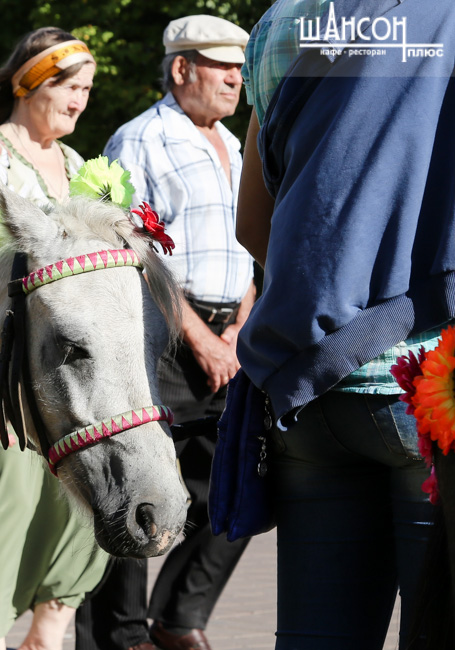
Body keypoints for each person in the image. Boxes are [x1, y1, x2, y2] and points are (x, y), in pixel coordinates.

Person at [233, 0, 453, 648]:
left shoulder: (281, 22)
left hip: (310, 384)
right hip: (429, 393)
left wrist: (339, 295)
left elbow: (253, 223)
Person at [77, 16, 255, 650]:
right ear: (182, 69)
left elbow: (253, 248)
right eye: (220, 64)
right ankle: (117, 638)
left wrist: (237, 328)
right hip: (160, 332)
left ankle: (179, 617)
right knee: (133, 488)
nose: (237, 76)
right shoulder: (140, 139)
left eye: (240, 65)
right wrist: (199, 337)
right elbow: (131, 251)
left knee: (239, 475)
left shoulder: (236, 144)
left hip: (233, 334)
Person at [0, 26, 108, 650]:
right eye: (71, 87)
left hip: (70, 369)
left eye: (88, 89)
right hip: (2, 365)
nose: (81, 101)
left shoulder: (83, 169)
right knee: (4, 506)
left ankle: (50, 630)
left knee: (79, 498)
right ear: (30, 84)